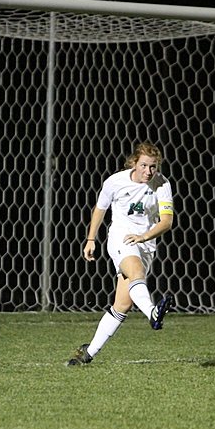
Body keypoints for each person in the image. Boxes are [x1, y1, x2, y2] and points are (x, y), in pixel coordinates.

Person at [68, 141, 174, 366]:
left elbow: (166, 221)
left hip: (145, 244)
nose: (148, 171)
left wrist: (144, 237)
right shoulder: (115, 182)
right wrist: (90, 239)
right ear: (134, 163)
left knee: (122, 305)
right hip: (121, 238)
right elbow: (100, 209)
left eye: (153, 167)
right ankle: (153, 314)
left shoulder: (162, 184)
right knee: (136, 271)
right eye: (144, 165)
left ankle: (88, 353)